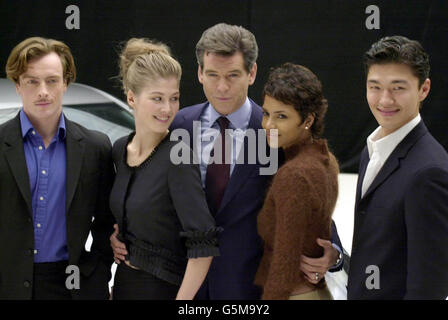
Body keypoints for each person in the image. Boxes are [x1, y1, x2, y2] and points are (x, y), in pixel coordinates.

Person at [111, 23, 344, 300]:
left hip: (248, 287)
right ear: (199, 73)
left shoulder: (273, 131)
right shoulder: (178, 124)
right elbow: (146, 183)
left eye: (233, 75)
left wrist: (334, 252)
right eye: (212, 75)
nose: (222, 87)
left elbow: (310, 195)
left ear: (252, 73)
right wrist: (123, 234)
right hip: (183, 283)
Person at [0, 37, 115, 300]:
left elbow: (107, 222)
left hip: (72, 287)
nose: (43, 91)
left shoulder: (95, 148)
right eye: (32, 81)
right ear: (18, 84)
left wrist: (97, 276)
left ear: (65, 83)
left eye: (52, 80)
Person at [109, 38, 221, 300]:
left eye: (174, 99)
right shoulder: (118, 149)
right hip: (124, 285)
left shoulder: (178, 156)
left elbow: (203, 247)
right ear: (131, 98)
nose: (167, 109)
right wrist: (113, 237)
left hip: (163, 290)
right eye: (157, 99)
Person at [347, 36, 448, 299]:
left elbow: (428, 287)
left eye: (398, 88)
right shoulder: (370, 150)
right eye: (375, 86)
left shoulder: (430, 172)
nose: (384, 100)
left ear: (423, 89)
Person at [254, 63, 339, 300]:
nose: (268, 125)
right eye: (266, 113)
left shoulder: (294, 175)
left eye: (281, 116)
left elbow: (284, 265)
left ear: (307, 120)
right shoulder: (325, 159)